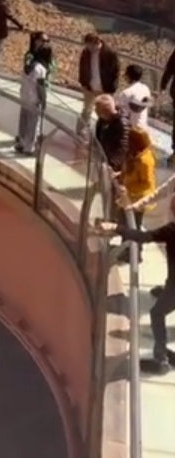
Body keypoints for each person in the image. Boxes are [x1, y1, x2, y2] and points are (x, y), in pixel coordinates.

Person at [99, 195, 175, 373]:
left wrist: (117, 228)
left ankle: (161, 359)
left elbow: (144, 237)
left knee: (157, 313)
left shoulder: (171, 230)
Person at [114, 125, 156, 243]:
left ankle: (134, 253)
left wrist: (128, 188)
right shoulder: (132, 154)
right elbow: (129, 171)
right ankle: (125, 249)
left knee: (133, 226)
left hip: (138, 200)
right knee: (124, 223)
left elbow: (146, 183)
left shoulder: (145, 161)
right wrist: (119, 175)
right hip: (128, 197)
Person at [76, 32, 120, 138]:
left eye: (89, 45)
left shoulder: (109, 53)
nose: (88, 48)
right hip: (89, 87)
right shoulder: (86, 52)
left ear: (96, 42)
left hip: (104, 89)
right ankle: (81, 131)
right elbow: (82, 67)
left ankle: (101, 136)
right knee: (87, 109)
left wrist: (111, 88)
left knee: (104, 113)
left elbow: (115, 71)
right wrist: (83, 82)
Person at [15, 41, 51, 155]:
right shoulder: (40, 69)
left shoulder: (29, 65)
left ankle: (21, 142)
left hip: (24, 96)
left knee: (24, 120)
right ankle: (29, 147)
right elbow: (40, 88)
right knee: (33, 123)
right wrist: (43, 101)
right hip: (33, 99)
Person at [93, 92, 128, 172]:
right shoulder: (102, 120)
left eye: (97, 109)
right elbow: (98, 137)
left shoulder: (122, 124)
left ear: (104, 111)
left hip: (113, 166)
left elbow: (122, 149)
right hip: (103, 158)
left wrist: (111, 164)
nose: (95, 110)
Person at [117, 62, 152, 131]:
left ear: (127, 76)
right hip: (143, 128)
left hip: (131, 131)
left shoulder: (126, 93)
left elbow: (121, 115)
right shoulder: (146, 89)